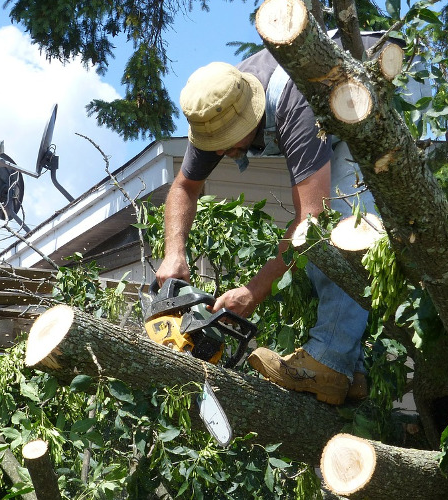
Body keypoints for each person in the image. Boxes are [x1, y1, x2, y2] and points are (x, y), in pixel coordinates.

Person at [156, 45, 377, 406]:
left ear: (252, 114)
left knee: (341, 224)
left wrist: (254, 290)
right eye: (216, 145)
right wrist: (173, 253)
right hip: (326, 122)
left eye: (228, 144)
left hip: (358, 110)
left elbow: (311, 220)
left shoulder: (296, 101)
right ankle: (352, 371)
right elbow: (184, 187)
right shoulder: (215, 109)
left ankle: (331, 362)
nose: (223, 152)